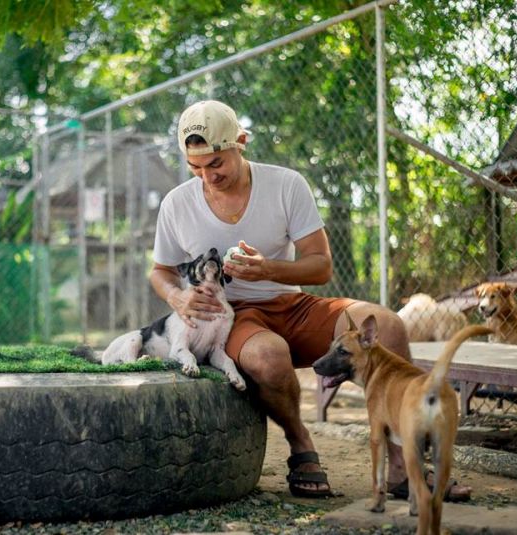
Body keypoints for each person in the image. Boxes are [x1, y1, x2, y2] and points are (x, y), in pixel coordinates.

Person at [149, 99, 471, 500]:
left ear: (241, 142)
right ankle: (301, 445)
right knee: (269, 357)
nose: (207, 176)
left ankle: (402, 467)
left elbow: (320, 267)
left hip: (292, 302)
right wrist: (178, 298)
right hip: (234, 317)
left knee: (387, 325)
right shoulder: (177, 203)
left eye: (216, 164)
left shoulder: (285, 184)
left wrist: (269, 270)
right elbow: (160, 271)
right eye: (196, 168)